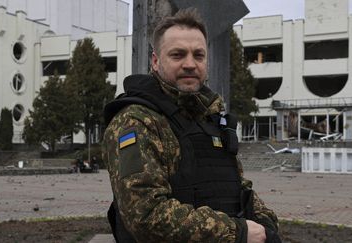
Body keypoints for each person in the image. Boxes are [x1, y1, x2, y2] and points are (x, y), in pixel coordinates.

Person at [102, 8, 280, 243]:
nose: (190, 64)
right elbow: (145, 216)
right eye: (177, 55)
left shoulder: (210, 117)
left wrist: (266, 223)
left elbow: (237, 186)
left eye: (198, 55)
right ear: (155, 61)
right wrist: (238, 233)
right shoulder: (136, 121)